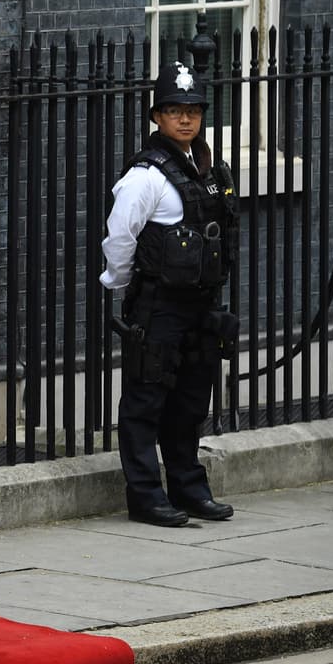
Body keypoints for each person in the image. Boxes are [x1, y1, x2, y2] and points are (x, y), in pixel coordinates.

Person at [101, 61, 239, 528]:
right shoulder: (147, 175)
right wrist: (123, 288)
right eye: (175, 110)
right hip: (158, 305)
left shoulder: (210, 169)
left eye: (193, 110)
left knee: (191, 402)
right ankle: (145, 496)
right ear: (157, 116)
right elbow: (120, 236)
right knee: (145, 404)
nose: (185, 119)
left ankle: (189, 488)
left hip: (200, 306)